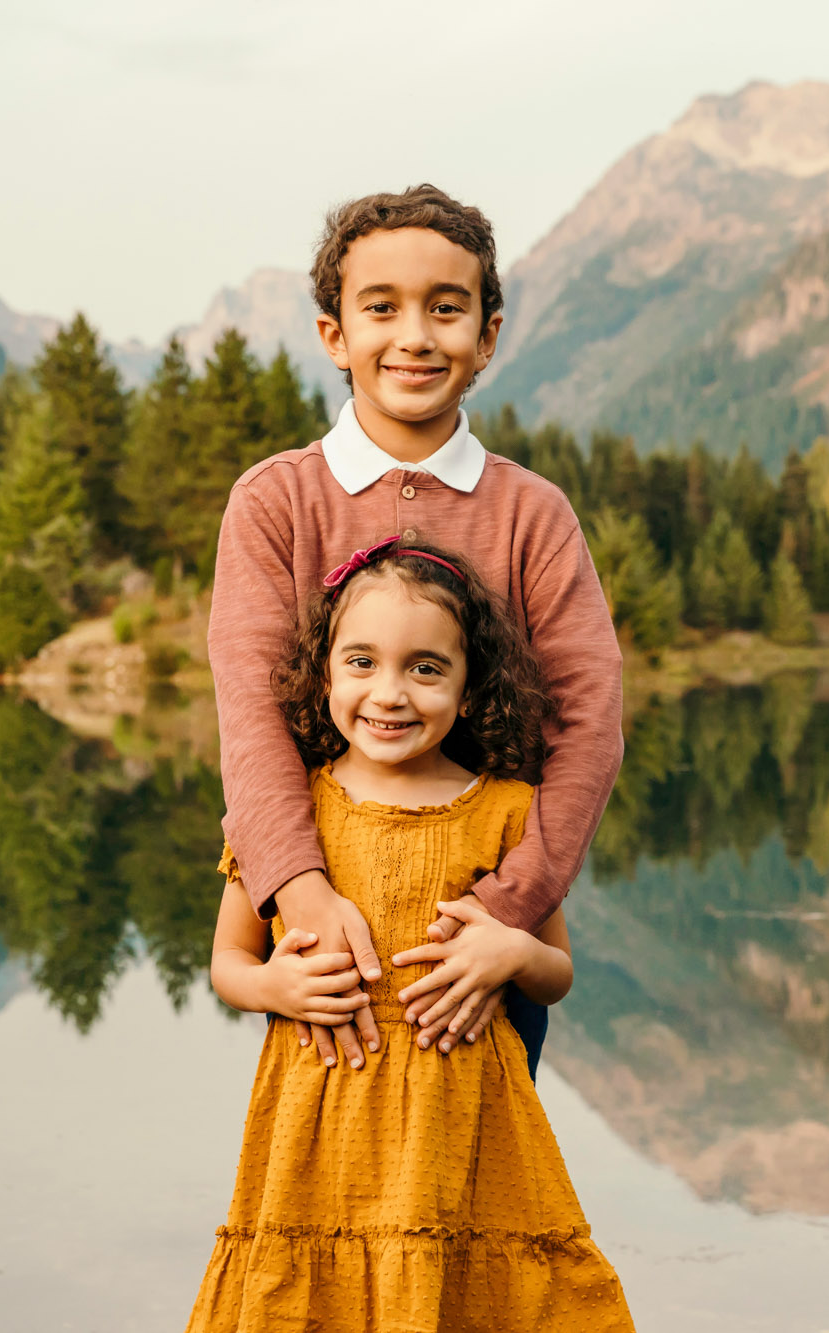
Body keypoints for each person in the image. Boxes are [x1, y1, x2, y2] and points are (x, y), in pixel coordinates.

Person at [208, 184, 624, 1078]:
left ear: (487, 335)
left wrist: (506, 915)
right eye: (380, 308)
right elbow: (249, 719)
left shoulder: (532, 515)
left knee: (478, 1191)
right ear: (333, 335)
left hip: (485, 955)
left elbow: (588, 724)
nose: (413, 336)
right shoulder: (274, 502)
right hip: (326, 953)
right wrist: (302, 892)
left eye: (445, 308)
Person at [189, 540, 634, 1332]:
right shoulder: (290, 817)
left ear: (468, 691)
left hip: (464, 1124)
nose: (388, 693)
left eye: (425, 668)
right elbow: (229, 961)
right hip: (320, 1125)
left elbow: (556, 971)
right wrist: (272, 987)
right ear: (323, 673)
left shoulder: (505, 811)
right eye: (360, 662)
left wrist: (514, 952)